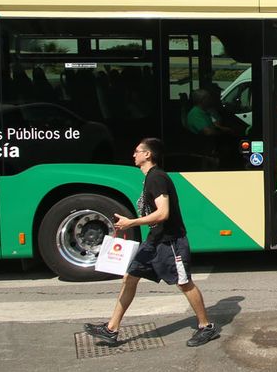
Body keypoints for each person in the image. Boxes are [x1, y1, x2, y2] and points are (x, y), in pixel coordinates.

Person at [84, 137, 219, 347]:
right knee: (130, 278)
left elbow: (163, 213)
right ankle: (111, 329)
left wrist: (132, 223)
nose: (134, 155)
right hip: (154, 240)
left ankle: (206, 327)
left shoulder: (157, 178)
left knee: (184, 283)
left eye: (138, 151)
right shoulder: (149, 177)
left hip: (170, 242)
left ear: (148, 154)